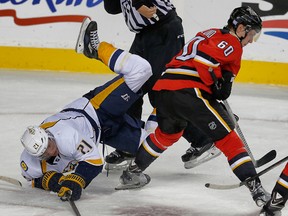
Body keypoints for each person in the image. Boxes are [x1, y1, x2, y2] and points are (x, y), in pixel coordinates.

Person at [115, 6, 270, 207]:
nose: (250, 41)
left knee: (166, 135)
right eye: (251, 35)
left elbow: (192, 58)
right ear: (240, 28)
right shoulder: (232, 41)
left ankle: (132, 173)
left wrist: (218, 83)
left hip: (164, 89)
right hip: (188, 91)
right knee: (228, 139)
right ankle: (257, 190)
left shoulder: (208, 33)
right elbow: (205, 61)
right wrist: (215, 85)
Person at [19, 17, 152, 201]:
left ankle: (94, 48)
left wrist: (76, 180)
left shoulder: (64, 136)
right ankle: (168, 110)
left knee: (142, 70)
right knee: (151, 144)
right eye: (44, 154)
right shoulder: (29, 162)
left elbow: (94, 162)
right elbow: (35, 180)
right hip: (103, 132)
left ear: (48, 134)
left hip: (96, 109)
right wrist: (54, 181)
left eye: (49, 145)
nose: (50, 151)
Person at [103, 0, 219, 169]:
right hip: (145, 35)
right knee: (130, 88)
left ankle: (203, 138)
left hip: (164, 31)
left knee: (164, 93)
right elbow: (112, 8)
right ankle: (129, 145)